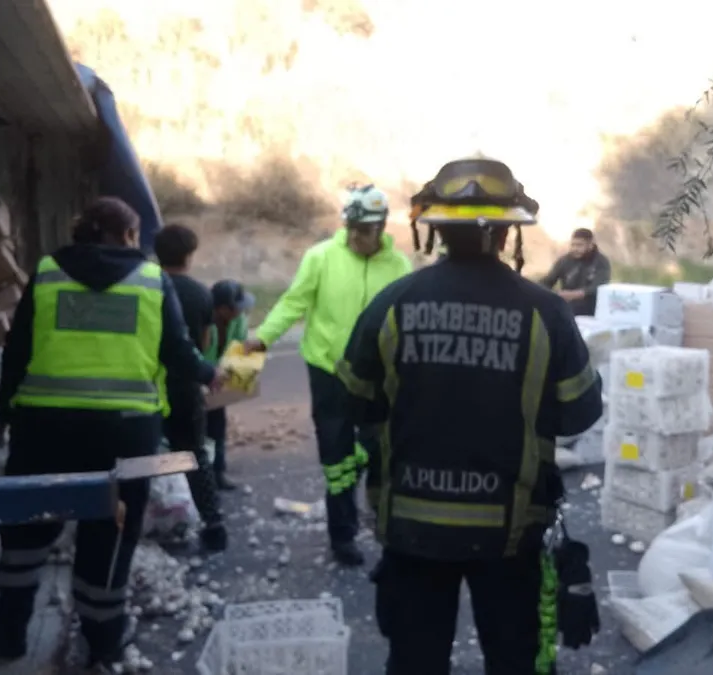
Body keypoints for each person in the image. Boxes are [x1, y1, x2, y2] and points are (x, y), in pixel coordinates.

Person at [338, 158, 604, 675]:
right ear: (508, 235)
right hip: (509, 534)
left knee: (415, 661)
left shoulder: (392, 304)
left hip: (411, 532)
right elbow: (580, 413)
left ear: (434, 231)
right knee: (512, 661)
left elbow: (354, 399)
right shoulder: (545, 313)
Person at [0, 198, 220, 671]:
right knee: (111, 534)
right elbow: (177, 352)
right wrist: (209, 372)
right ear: (130, 235)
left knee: (26, 530)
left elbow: (18, 347)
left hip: (43, 429)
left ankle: (10, 632)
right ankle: (104, 641)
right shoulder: (153, 279)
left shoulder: (49, 271)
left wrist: (6, 409)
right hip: (128, 436)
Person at [244, 184, 412, 566]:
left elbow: (407, 318)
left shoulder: (399, 266)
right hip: (328, 371)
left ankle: (382, 523)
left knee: (380, 450)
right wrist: (264, 337)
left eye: (364, 230)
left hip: (378, 378)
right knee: (336, 456)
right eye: (351, 228)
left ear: (382, 227)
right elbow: (294, 302)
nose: (356, 236)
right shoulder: (320, 257)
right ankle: (343, 536)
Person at [153, 223, 227, 551]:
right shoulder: (200, 293)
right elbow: (205, 341)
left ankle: (156, 520)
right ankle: (213, 524)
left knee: (150, 455)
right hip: (185, 386)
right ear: (189, 256)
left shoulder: (147, 286)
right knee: (194, 453)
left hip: (149, 386)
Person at [202, 279, 256, 490]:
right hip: (199, 377)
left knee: (218, 426)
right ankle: (199, 476)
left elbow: (241, 348)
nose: (241, 312)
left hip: (218, 380)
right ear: (221, 309)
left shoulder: (238, 320)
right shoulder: (202, 317)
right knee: (197, 430)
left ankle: (218, 472)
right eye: (237, 308)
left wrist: (233, 376)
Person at [538, 227, 611, 316]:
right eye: (573, 245)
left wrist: (573, 295)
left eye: (579, 245)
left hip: (590, 306)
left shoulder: (601, 262)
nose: (575, 248)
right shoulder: (565, 260)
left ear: (590, 245)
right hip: (565, 302)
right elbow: (548, 280)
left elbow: (598, 287)